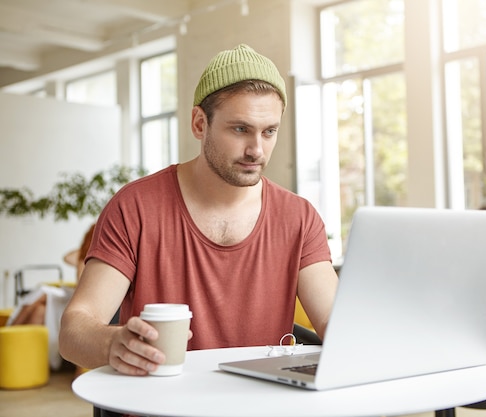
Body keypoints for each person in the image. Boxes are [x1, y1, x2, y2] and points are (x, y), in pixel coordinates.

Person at [59, 44, 339, 377]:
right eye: (240, 129)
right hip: (159, 408)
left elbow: (334, 320)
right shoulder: (135, 207)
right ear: (199, 123)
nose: (257, 150)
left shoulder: (299, 217)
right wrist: (113, 343)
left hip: (260, 406)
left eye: (269, 132)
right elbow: (73, 331)